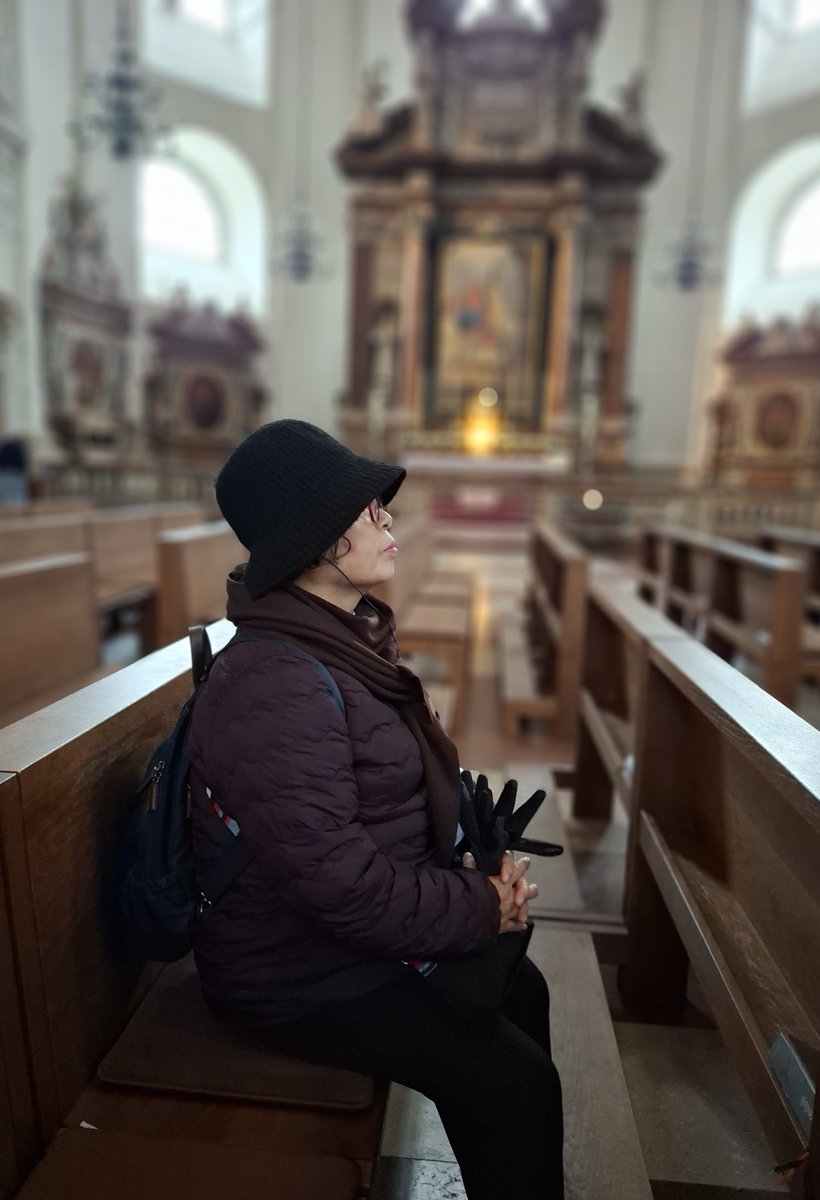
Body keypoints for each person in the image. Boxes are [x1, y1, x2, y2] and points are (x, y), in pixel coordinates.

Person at [188, 420, 563, 1199]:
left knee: (524, 991)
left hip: (333, 943)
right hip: (292, 974)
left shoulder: (335, 638)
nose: (387, 517)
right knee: (515, 1085)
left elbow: (375, 811)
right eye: (365, 508)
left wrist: (476, 861)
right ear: (314, 537)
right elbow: (340, 886)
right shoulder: (274, 681)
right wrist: (480, 905)